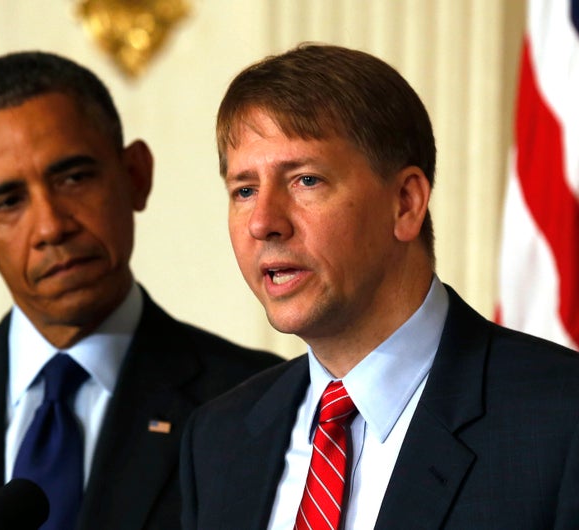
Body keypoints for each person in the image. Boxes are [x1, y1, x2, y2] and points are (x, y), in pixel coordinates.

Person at [0, 51, 282, 530]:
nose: (51, 227)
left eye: (74, 178)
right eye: (8, 202)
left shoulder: (263, 404)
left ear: (136, 175)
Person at [180, 44, 579, 530]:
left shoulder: (561, 419)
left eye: (305, 180)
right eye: (244, 189)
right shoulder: (218, 439)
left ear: (406, 203)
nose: (263, 222)